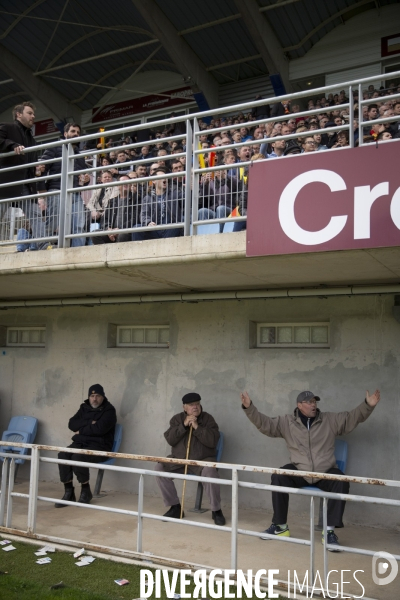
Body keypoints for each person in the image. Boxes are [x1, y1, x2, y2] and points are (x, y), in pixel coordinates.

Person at [240, 388, 381, 549]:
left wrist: (367, 405)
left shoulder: (329, 420)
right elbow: (265, 424)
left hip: (325, 471)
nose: (314, 405)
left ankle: (329, 533)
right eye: (309, 402)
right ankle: (280, 527)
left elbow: (352, 418)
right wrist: (249, 408)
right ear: (299, 405)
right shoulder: (287, 422)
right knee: (278, 476)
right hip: (301, 470)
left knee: (341, 480)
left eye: (315, 402)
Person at [155, 392, 226, 526]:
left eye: (198, 404)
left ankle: (216, 511)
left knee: (210, 472)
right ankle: (175, 508)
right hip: (179, 461)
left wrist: (197, 427)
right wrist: (183, 426)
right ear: (184, 407)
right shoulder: (176, 419)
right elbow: (170, 439)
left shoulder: (208, 419)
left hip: (202, 461)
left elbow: (212, 441)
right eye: (192, 405)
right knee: (159, 468)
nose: (195, 407)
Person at [55, 384, 117, 507]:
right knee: (63, 455)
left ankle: (85, 490)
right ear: (89, 397)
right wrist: (90, 423)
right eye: (92, 396)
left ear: (103, 397)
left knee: (77, 457)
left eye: (98, 396)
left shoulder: (109, 410)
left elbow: (100, 429)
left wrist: (81, 430)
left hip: (100, 447)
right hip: (80, 444)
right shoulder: (84, 408)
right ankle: (69, 492)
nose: (94, 399)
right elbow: (72, 424)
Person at [0, 101, 47, 249]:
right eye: (29, 113)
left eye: (33, 114)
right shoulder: (8, 127)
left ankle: (43, 245)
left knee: (35, 214)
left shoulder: (32, 140)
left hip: (26, 183)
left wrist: (37, 168)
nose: (33, 116)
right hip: (7, 182)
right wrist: (12, 145)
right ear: (18, 114)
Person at [40, 122, 87, 247]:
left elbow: (82, 177)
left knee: (78, 225)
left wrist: (85, 180)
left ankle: (78, 253)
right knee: (52, 223)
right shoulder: (55, 147)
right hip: (56, 190)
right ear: (65, 134)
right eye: (73, 131)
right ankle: (44, 248)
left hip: (75, 193)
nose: (76, 134)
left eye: (78, 132)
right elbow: (41, 169)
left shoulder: (80, 155)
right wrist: (42, 191)